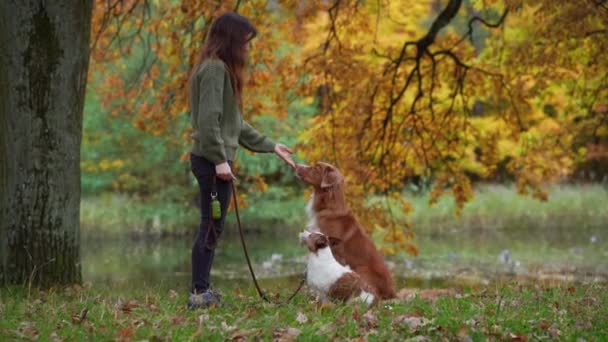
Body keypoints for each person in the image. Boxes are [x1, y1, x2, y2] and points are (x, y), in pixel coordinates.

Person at [187, 12, 295, 309]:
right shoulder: (213, 70)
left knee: (213, 226)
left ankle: (202, 290)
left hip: (215, 160)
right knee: (210, 226)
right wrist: (221, 161)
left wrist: (272, 147)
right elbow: (209, 123)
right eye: (245, 42)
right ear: (232, 40)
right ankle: (199, 294)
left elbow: (234, 125)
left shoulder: (219, 69)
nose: (248, 49)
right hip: (211, 162)